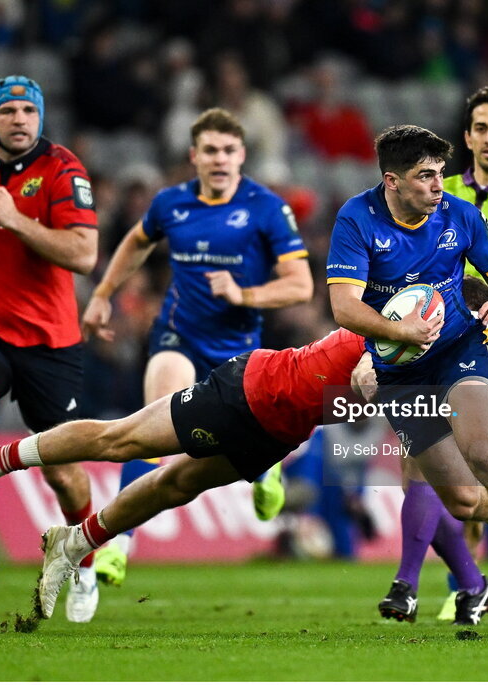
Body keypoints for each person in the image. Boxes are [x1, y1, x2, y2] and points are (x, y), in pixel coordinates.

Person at [0, 321, 488, 620]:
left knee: (175, 486)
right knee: (121, 442)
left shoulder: (460, 360)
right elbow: (372, 364)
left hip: (284, 426)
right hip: (251, 391)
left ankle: (77, 539)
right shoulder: (418, 319)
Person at [326, 124, 488, 622]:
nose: (438, 186)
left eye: (441, 174)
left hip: (458, 349)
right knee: (464, 501)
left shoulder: (459, 215)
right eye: (425, 176)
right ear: (392, 180)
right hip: (400, 371)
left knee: (483, 450)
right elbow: (343, 307)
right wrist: (401, 334)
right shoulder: (357, 219)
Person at [81, 107, 313, 587]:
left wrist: (244, 294)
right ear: (194, 156)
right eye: (210, 150)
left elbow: (300, 285)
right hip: (178, 335)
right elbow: (137, 242)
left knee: (246, 442)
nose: (220, 159)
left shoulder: (267, 208)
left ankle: (266, 471)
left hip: (239, 355)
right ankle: (119, 544)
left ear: (242, 155)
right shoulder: (172, 203)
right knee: (152, 423)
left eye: (229, 150)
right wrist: (103, 294)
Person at [0, 75, 100, 622]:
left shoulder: (62, 169)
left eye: (29, 110)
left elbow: (83, 254)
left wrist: (15, 219)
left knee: (63, 472)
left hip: (50, 341)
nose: (20, 119)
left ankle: (84, 560)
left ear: (41, 117)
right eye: (8, 111)